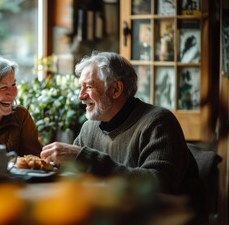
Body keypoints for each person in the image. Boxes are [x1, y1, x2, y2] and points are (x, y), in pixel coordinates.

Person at [40, 51, 207, 224]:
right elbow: (76, 172)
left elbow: (159, 185)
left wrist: (87, 158)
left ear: (116, 89)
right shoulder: (89, 128)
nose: (80, 96)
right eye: (80, 87)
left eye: (88, 87)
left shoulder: (158, 122)